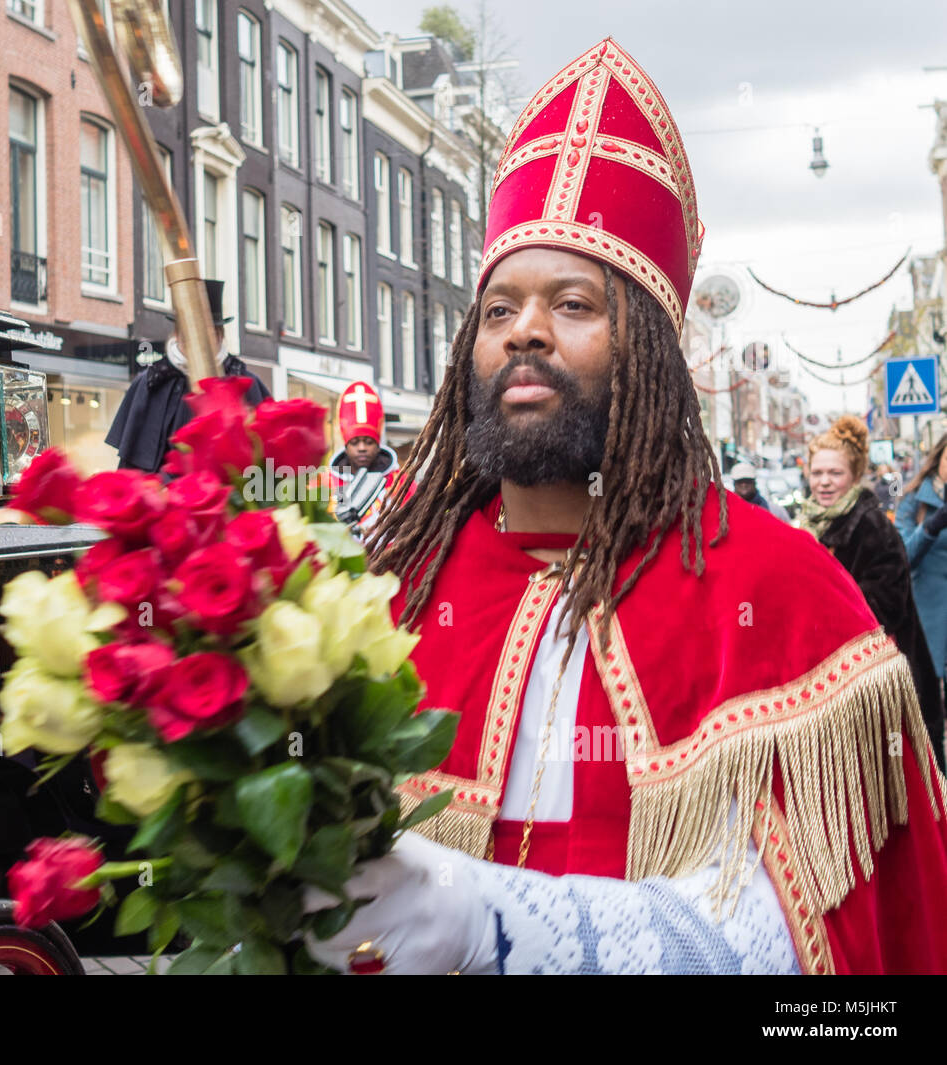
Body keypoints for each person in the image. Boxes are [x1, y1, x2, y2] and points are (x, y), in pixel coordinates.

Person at [304, 38, 947, 975]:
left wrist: (502, 923)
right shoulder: (391, 591)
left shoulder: (779, 588)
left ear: (644, 347)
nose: (524, 328)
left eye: (572, 303)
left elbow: (803, 949)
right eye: (498, 310)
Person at [800, 416, 944, 769]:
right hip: (833, 683)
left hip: (880, 688)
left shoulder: (871, 527)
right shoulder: (808, 526)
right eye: (817, 473)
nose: (824, 482)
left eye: (835, 473)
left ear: (855, 475)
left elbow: (884, 608)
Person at [105, 280, 270, 473]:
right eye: (191, 333)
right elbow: (130, 468)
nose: (198, 343)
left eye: (206, 334)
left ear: (219, 336)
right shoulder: (149, 383)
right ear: (177, 333)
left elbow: (263, 467)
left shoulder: (246, 384)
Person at [895, 435, 947, 751]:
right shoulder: (915, 499)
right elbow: (903, 556)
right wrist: (931, 527)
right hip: (929, 619)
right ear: (939, 456)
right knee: (929, 712)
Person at [326, 381, 399, 536]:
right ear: (345, 446)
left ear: (378, 445)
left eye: (368, 442)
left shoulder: (400, 483)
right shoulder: (327, 484)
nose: (362, 448)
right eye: (354, 442)